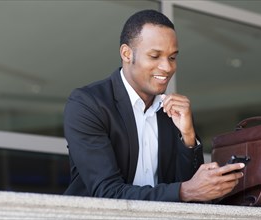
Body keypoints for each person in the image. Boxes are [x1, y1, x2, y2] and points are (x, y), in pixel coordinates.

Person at [63, 9, 244, 202]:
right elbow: (107, 192)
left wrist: (188, 137)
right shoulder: (88, 104)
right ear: (126, 54)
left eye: (172, 57)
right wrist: (185, 191)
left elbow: (193, 192)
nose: (167, 67)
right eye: (155, 56)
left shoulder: (172, 112)